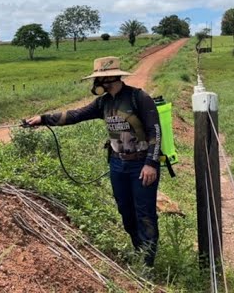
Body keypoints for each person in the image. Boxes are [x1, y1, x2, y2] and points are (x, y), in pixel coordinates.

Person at [24, 56, 162, 266]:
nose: (97, 83)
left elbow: (155, 131)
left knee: (145, 213)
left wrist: (151, 163)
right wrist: (43, 119)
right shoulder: (103, 103)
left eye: (100, 79)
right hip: (117, 165)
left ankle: (148, 263)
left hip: (141, 165)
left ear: (112, 78)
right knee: (126, 212)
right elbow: (75, 115)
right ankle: (139, 250)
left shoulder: (138, 98)